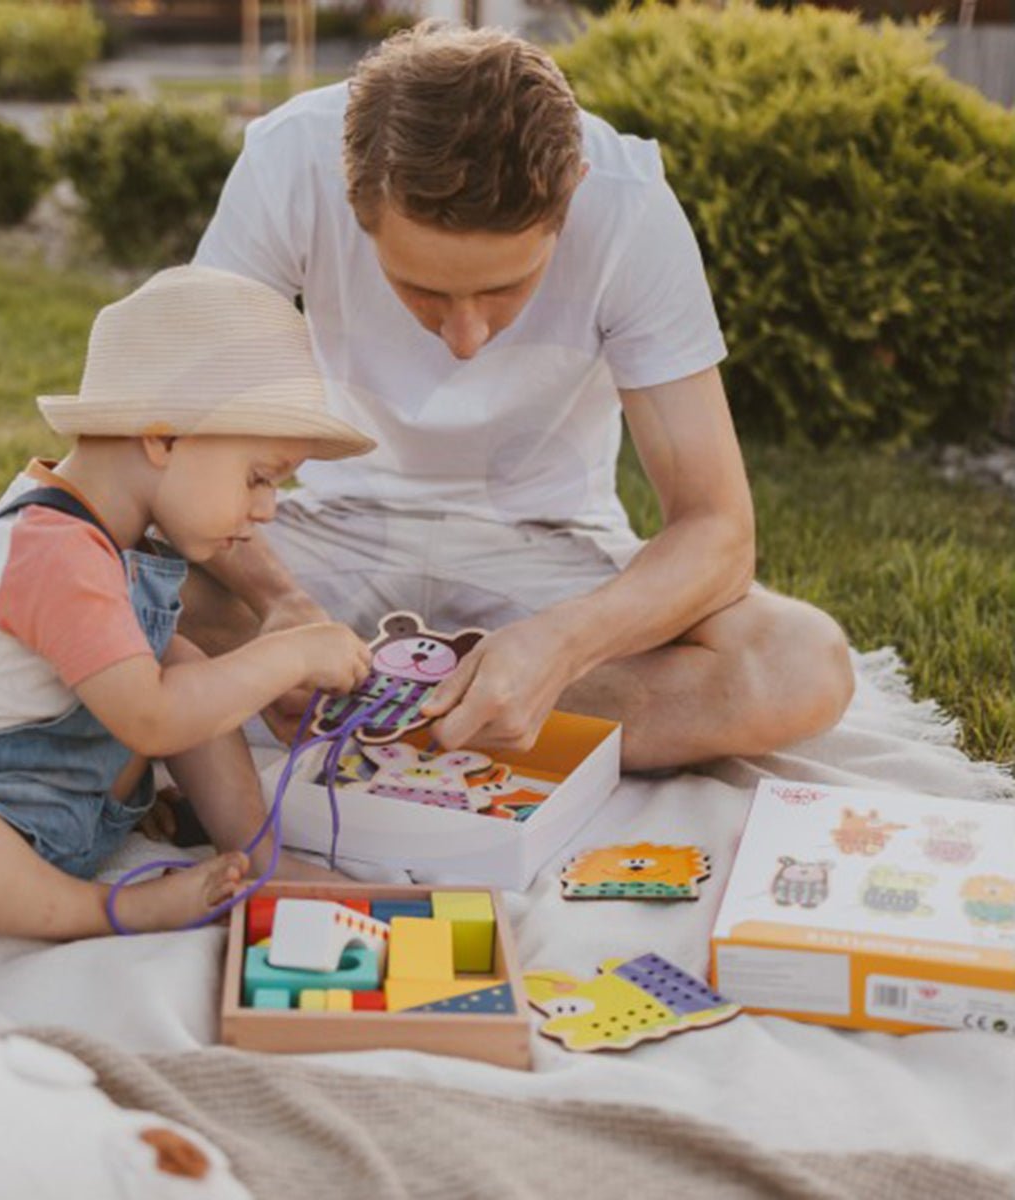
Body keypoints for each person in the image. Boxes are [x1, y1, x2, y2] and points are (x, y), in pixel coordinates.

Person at [188, 21, 855, 769]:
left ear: (570, 202)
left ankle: (381, 698)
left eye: (506, 288)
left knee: (803, 665)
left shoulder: (629, 205)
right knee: (78, 562)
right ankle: (449, 708)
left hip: (547, 550)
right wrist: (281, 603)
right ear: (357, 202)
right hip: (327, 541)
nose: (466, 339)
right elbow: (192, 433)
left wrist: (564, 645)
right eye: (422, 288)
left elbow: (717, 530)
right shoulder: (288, 160)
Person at [0, 266, 376, 938]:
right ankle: (107, 910)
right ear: (163, 437)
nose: (266, 510)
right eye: (260, 478)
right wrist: (288, 654)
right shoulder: (54, 549)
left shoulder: (102, 534)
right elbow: (151, 721)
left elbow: (164, 696)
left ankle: (259, 855)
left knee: (183, 660)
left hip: (55, 810)